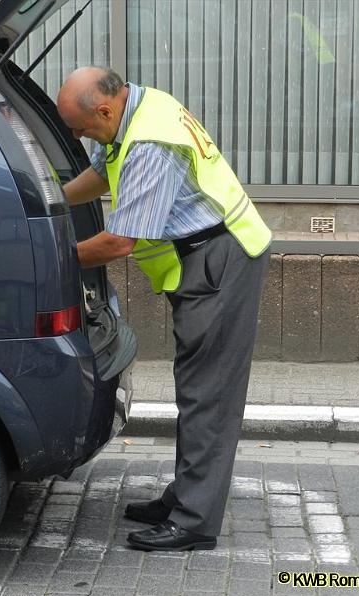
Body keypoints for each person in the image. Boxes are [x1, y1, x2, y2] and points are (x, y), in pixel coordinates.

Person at [57, 67, 272, 551]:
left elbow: (117, 242)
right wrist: (51, 201)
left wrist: (47, 255)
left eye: (80, 127)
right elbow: (100, 172)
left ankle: (194, 521)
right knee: (196, 386)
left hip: (219, 261)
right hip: (203, 257)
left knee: (207, 394)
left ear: (106, 109)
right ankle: (186, 495)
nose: (76, 135)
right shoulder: (138, 107)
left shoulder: (151, 143)